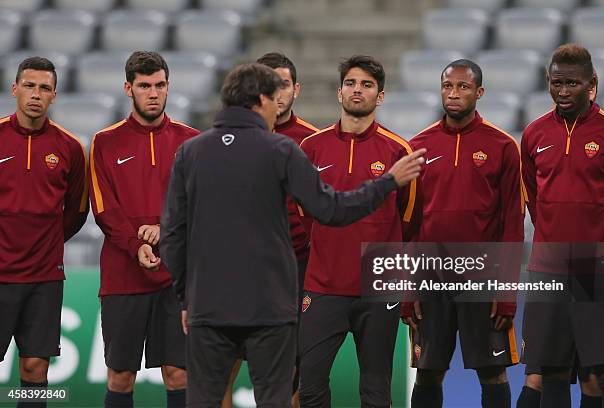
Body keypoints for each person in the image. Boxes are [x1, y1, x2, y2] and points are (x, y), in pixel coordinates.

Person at [159, 62, 426, 407]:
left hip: (207, 304)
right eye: (275, 97)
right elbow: (331, 210)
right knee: (276, 396)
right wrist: (387, 183)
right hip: (270, 306)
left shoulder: (190, 152)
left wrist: (185, 296)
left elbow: (173, 236)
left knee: (206, 398)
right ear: (260, 100)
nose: (280, 106)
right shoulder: (281, 150)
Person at [296, 55, 421, 408]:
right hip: (322, 284)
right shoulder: (312, 148)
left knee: (377, 391)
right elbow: (306, 213)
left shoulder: (398, 150)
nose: (357, 90)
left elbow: (409, 219)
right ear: (339, 92)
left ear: (380, 97)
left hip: (378, 287)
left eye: (367, 85)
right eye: (351, 83)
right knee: (311, 385)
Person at [402, 59, 525, 408]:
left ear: (479, 92)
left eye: (463, 87)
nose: (453, 94)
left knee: (492, 371)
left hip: (482, 279)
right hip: (431, 279)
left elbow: (512, 226)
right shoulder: (418, 146)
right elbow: (407, 226)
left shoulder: (502, 146)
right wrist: (408, 291)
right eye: (447, 86)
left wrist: (506, 294)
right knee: (428, 371)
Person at [88, 51, 199, 408]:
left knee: (179, 373)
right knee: (120, 378)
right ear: (128, 88)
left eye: (160, 85)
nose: (153, 93)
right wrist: (137, 245)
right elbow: (104, 209)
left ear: (168, 87)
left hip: (177, 277)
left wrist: (163, 229)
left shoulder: (192, 142)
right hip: (123, 276)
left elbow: (198, 206)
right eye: (145, 86)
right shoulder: (104, 142)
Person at [520, 43, 604, 408]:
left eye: (572, 84)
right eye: (556, 83)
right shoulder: (534, 134)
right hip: (548, 267)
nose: (563, 91)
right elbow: (531, 196)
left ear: (592, 85)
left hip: (598, 270)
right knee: (552, 368)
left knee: (599, 374)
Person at [0, 57, 88, 406]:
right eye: (30, 86)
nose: (36, 94)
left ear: (54, 95)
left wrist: (45, 243)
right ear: (15, 89)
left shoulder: (69, 148)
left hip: (43, 277)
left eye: (45, 88)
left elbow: (77, 212)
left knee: (35, 367)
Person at [256, 51, 318, 407]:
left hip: (298, 264)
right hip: (246, 266)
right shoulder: (231, 137)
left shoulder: (312, 141)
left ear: (296, 89)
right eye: (269, 84)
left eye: (283, 84)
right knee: (229, 358)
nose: (277, 93)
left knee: (295, 364)